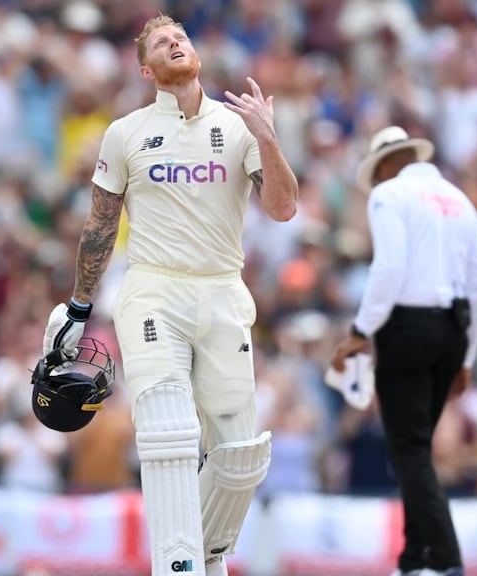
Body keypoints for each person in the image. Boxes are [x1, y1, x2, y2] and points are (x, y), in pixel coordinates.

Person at [42, 14, 298, 576]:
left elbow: (282, 209)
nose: (175, 43)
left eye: (180, 37)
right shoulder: (126, 132)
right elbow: (100, 226)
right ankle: (175, 565)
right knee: (166, 426)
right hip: (154, 288)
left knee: (241, 456)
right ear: (145, 68)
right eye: (162, 42)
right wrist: (79, 307)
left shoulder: (238, 128)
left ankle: (203, 560)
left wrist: (268, 136)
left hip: (224, 292)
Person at [329, 126, 477, 576]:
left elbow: (390, 267)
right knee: (415, 451)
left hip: (408, 329)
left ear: (384, 166)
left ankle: (445, 559)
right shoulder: (460, 200)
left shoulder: (389, 196)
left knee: (409, 451)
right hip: (453, 332)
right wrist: (469, 357)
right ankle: (414, 558)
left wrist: (360, 330)